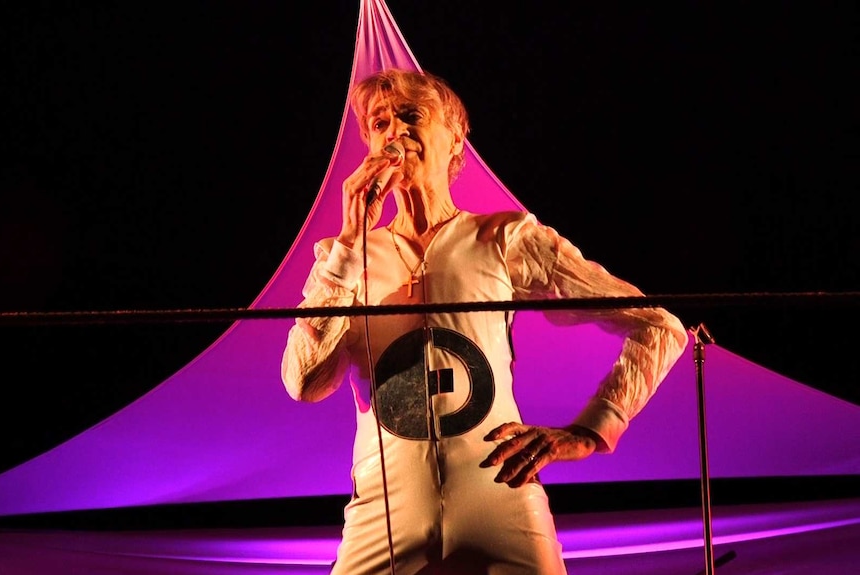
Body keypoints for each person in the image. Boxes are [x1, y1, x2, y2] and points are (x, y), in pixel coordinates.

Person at [281, 68, 689, 575]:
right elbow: (303, 382)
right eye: (381, 123)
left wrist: (591, 429)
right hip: (381, 514)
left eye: (411, 117)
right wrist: (347, 243)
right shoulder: (340, 258)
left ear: (455, 142)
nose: (395, 134)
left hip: (502, 496)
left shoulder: (504, 237)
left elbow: (659, 326)